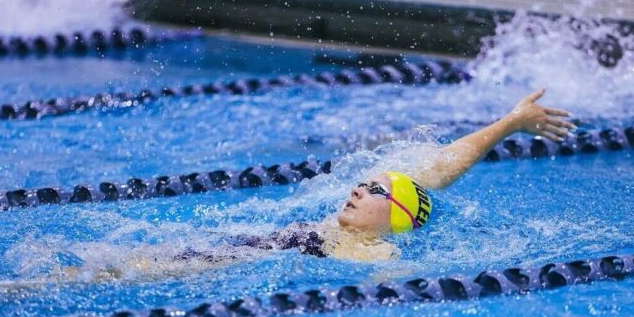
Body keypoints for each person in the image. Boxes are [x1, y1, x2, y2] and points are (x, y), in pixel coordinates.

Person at [220, 88, 575, 261]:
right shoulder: (331, 229)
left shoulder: (377, 253)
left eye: (374, 190)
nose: (357, 190)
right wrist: (512, 121)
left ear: (399, 215)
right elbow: (444, 165)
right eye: (362, 185)